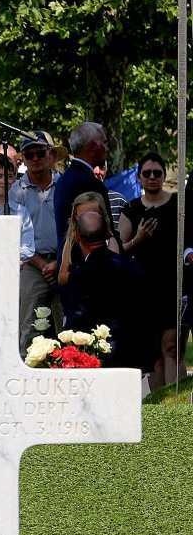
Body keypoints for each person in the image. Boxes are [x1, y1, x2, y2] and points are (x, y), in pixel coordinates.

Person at [118, 152, 181, 389]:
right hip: (142, 289)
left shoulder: (178, 204)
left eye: (157, 172)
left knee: (172, 347)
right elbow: (119, 249)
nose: (152, 177)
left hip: (172, 285)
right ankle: (157, 408)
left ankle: (174, 409)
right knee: (153, 353)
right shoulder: (131, 209)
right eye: (147, 173)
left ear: (164, 175)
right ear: (139, 177)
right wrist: (139, 238)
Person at [64, 208, 147, 370]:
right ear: (107, 235)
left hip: (95, 360)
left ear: (78, 237)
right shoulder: (131, 268)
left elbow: (77, 320)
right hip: (130, 356)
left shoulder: (80, 275)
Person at [11, 131, 63, 350]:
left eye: (40, 153)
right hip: (32, 265)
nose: (34, 159)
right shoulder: (15, 191)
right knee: (30, 325)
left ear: (51, 155)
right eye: (28, 154)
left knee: (68, 326)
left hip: (66, 261)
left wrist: (59, 262)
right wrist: (42, 264)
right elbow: (14, 234)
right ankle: (26, 367)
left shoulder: (64, 185)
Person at [54, 121, 110, 249]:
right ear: (92, 147)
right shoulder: (90, 183)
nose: (107, 148)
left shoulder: (64, 180)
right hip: (88, 264)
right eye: (105, 143)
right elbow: (103, 233)